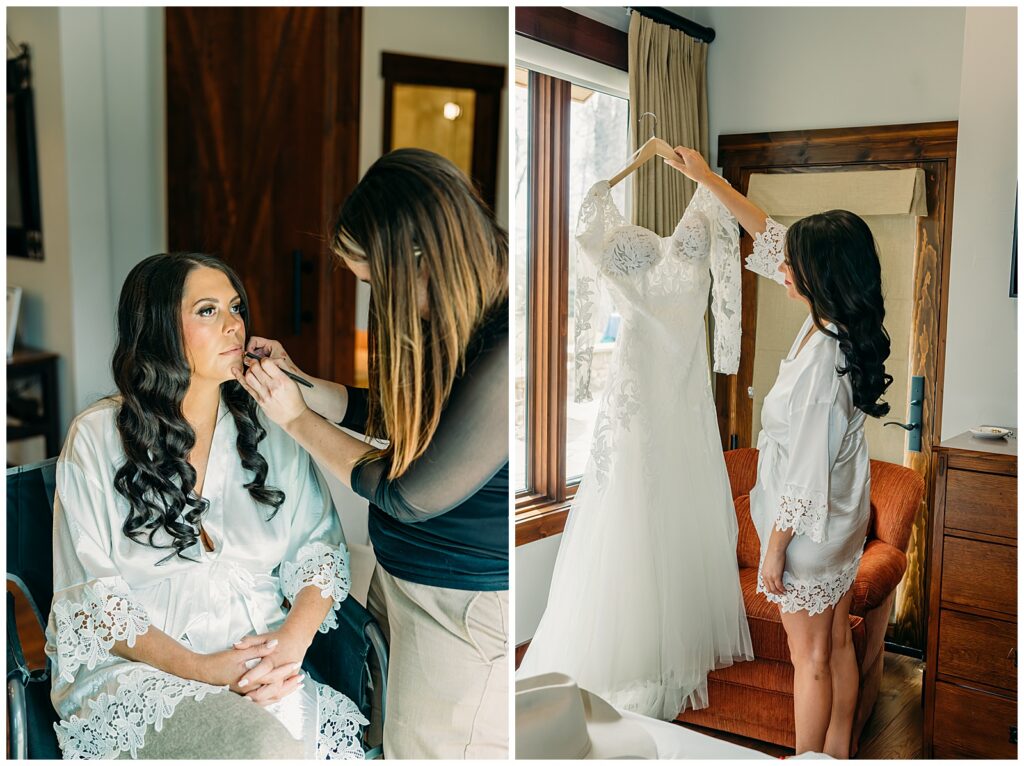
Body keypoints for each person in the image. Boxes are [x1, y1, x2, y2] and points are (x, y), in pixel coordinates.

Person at [234, 148, 509, 759]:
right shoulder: (458, 307)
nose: (372, 299)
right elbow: (397, 412)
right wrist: (300, 382)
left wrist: (297, 420)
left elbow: (408, 492)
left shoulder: (510, 341)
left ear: (417, 262)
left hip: (462, 607)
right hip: (406, 579)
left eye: (371, 282)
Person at [45, 253, 367, 760]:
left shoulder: (268, 425)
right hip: (143, 676)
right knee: (264, 750)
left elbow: (319, 553)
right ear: (158, 329)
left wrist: (290, 645)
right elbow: (96, 607)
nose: (233, 325)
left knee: (304, 749)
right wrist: (204, 669)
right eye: (207, 311)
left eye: (235, 308)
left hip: (260, 665)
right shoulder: (97, 439)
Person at [667, 147, 892, 757]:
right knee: (837, 645)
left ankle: (809, 758)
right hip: (840, 524)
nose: (782, 270)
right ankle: (839, 751)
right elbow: (771, 238)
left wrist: (774, 550)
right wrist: (709, 181)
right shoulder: (833, 323)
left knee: (810, 658)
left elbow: (805, 472)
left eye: (796, 267)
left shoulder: (823, 360)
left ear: (823, 276)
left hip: (809, 533)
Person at [517, 158, 753, 719]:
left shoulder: (710, 202)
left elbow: (728, 286)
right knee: (630, 514)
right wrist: (576, 364)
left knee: (675, 516)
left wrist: (727, 355)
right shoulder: (598, 205)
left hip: (684, 392)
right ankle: (632, 662)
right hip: (636, 396)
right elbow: (578, 290)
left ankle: (665, 657)